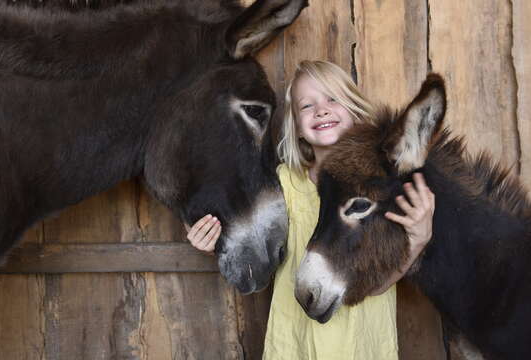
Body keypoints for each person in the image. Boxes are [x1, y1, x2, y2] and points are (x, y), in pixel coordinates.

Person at [185, 60, 435, 359]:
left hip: (361, 346)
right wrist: (209, 238)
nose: (321, 110)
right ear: (297, 129)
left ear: (355, 112)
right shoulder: (283, 185)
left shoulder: (379, 190)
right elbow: (240, 232)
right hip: (296, 345)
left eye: (333, 99)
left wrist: (419, 238)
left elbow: (379, 284)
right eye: (306, 106)